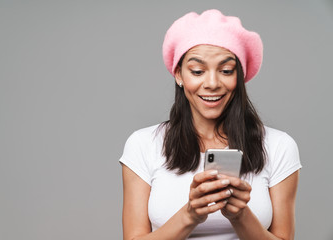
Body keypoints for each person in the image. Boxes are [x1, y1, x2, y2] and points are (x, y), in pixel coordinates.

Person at [119, 9, 301, 240]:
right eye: (197, 71)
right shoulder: (143, 144)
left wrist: (240, 215)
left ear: (239, 77)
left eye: (226, 71)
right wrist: (190, 215)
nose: (212, 83)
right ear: (179, 75)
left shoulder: (278, 146)